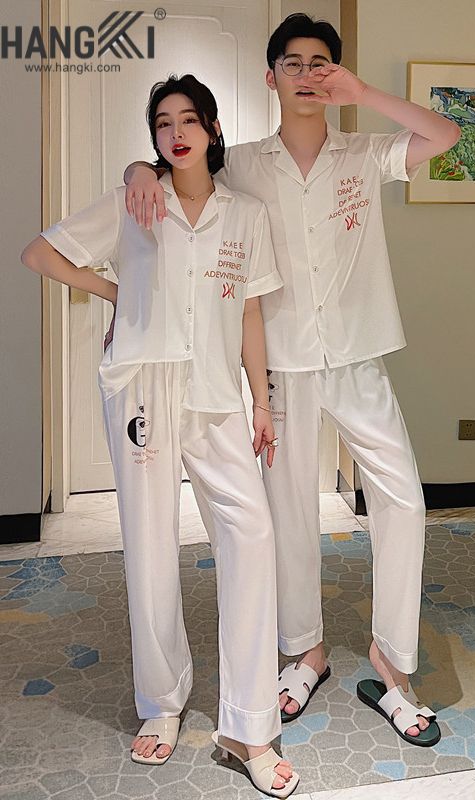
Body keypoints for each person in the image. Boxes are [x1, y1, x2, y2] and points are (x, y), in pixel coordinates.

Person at [123, 13, 461, 747]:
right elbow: (180, 166)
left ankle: (392, 666)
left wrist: (363, 94)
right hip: (280, 363)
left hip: (359, 356)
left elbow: (446, 136)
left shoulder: (364, 153)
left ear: (334, 74)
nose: (307, 75)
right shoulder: (243, 164)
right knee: (289, 513)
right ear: (270, 77)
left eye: (320, 63)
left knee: (404, 498)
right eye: (293, 63)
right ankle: (304, 651)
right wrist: (138, 170)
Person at [21, 74, 300, 798]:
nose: (176, 133)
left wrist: (261, 400)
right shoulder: (135, 201)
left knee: (252, 535)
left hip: (216, 392)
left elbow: (249, 313)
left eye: (188, 120)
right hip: (143, 385)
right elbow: (40, 254)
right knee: (149, 545)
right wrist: (117, 291)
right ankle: (162, 702)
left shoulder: (245, 214)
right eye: (162, 123)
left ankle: (249, 723)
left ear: (211, 129)